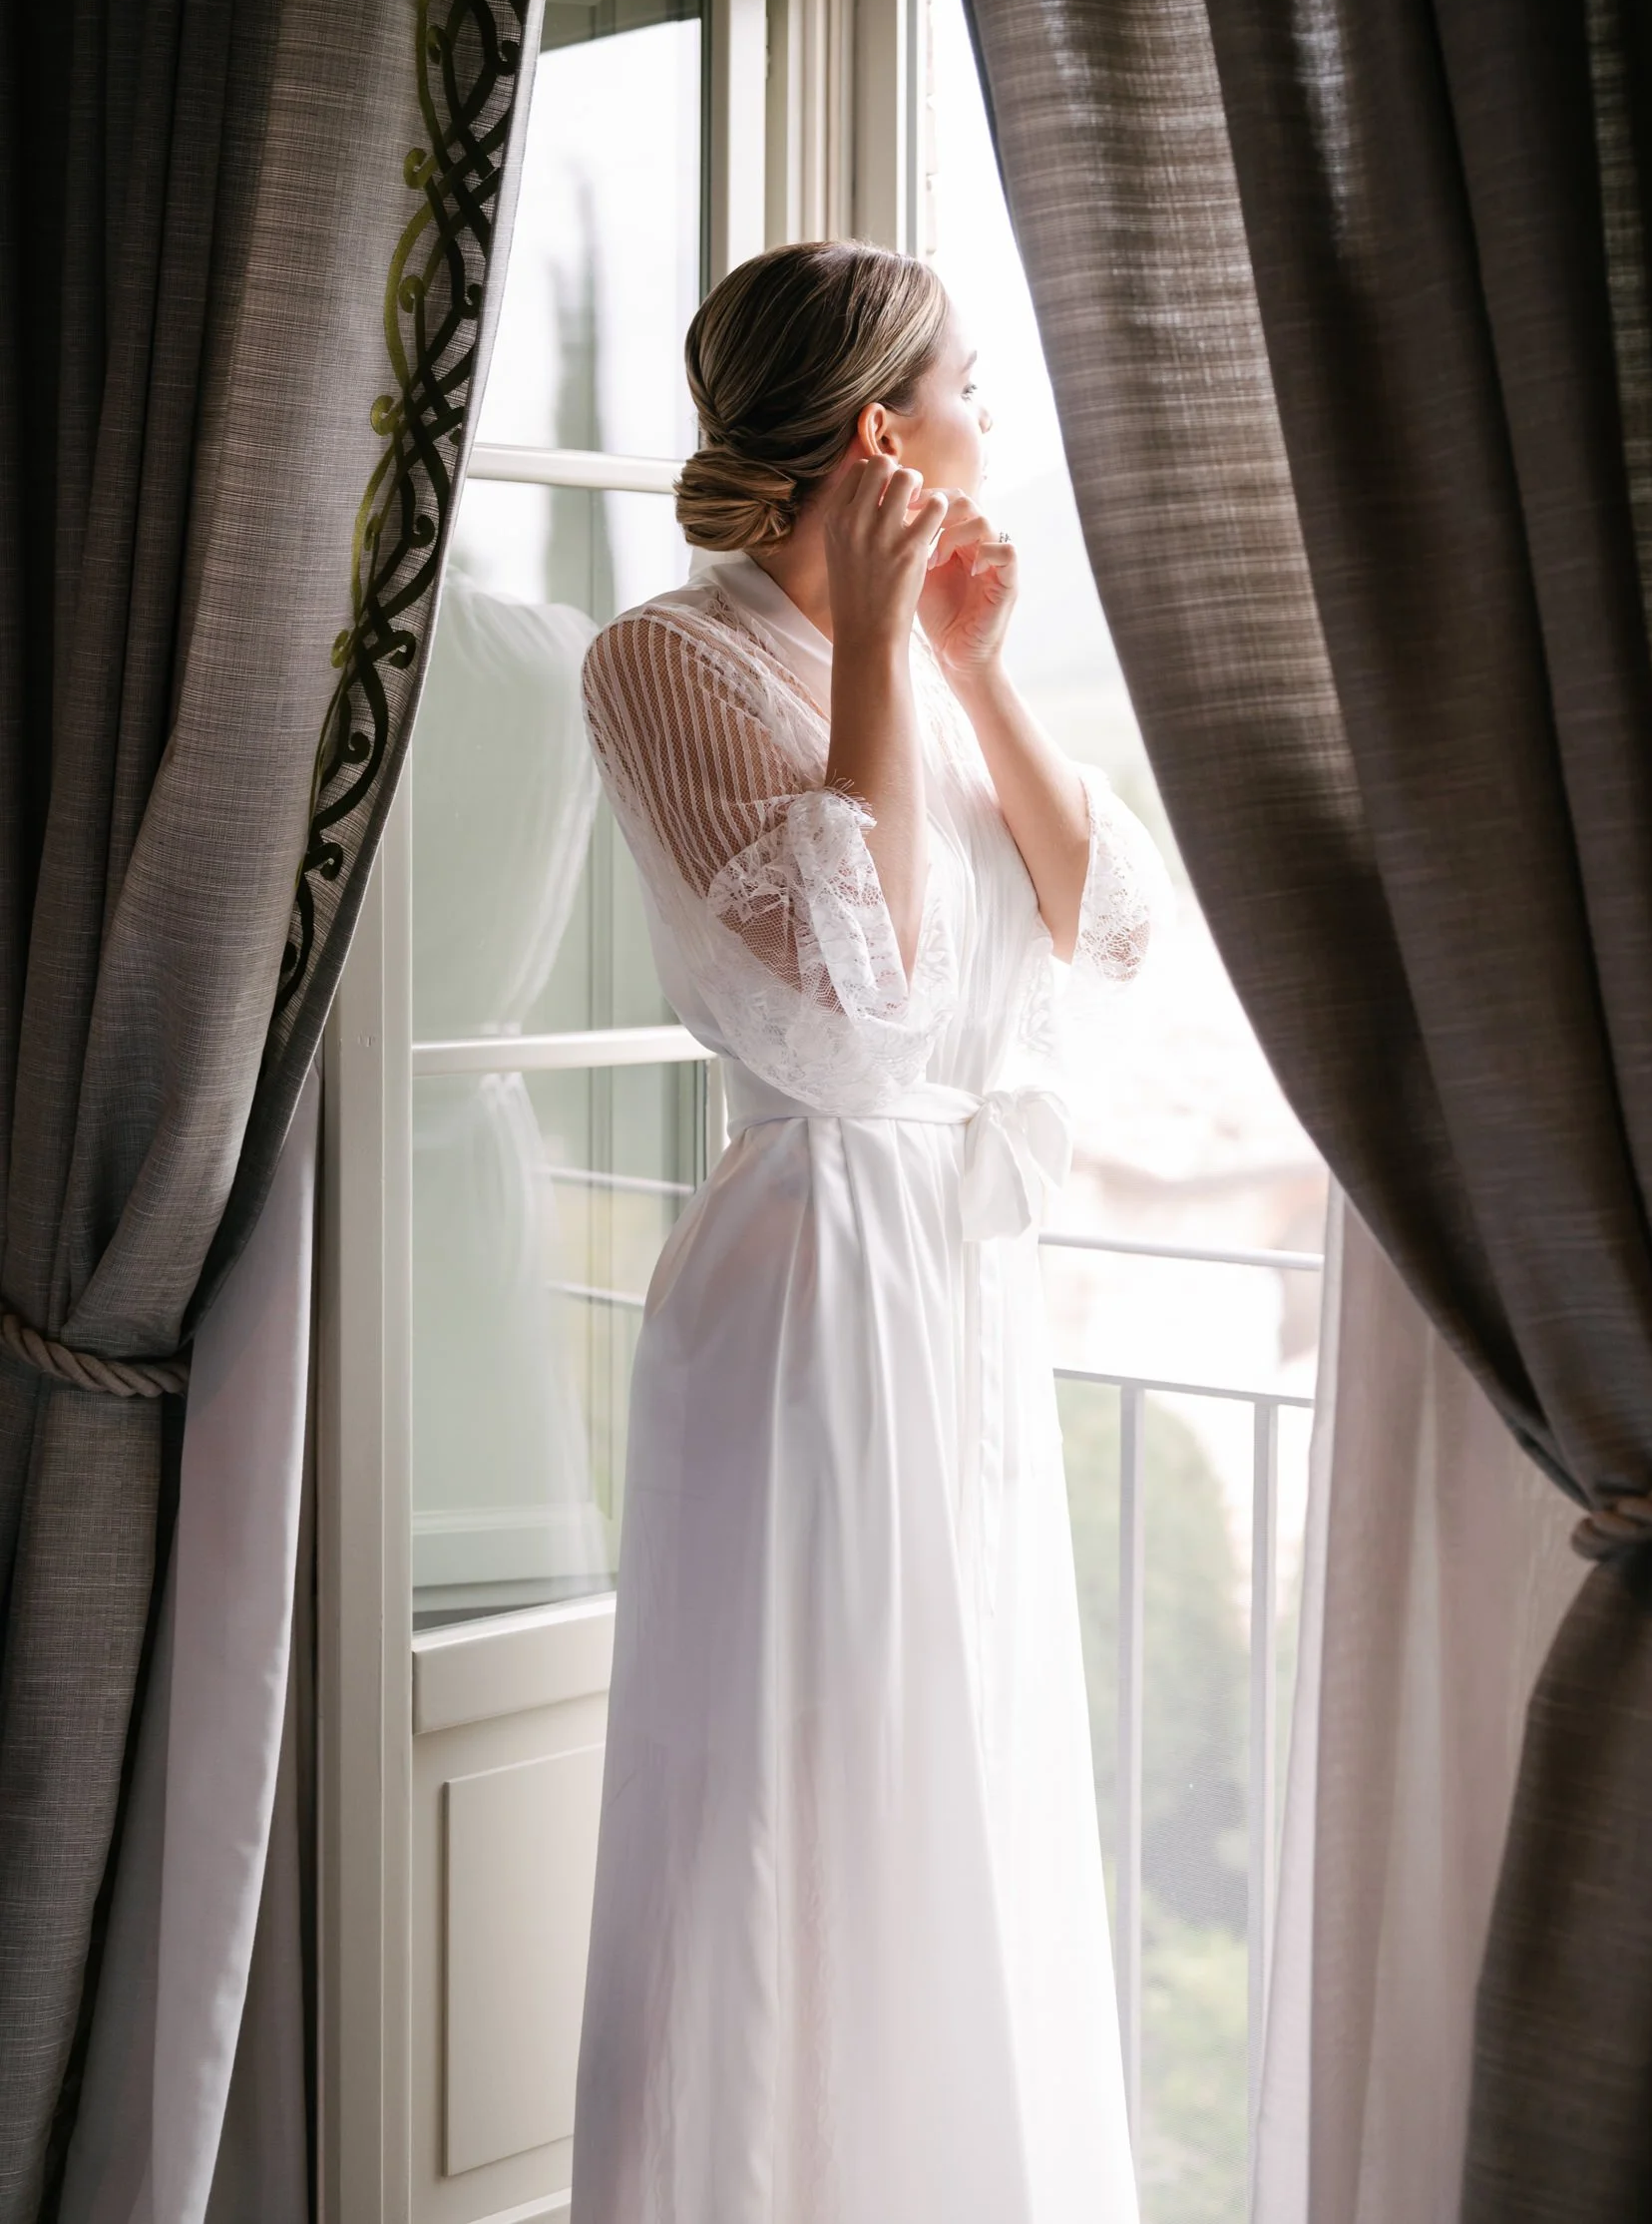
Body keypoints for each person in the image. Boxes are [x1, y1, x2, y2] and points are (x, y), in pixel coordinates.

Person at [571, 239, 1160, 2223]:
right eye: (971, 381)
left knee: (966, 1788)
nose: (998, 423)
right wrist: (884, 655)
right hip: (814, 1284)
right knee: (798, 1814)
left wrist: (975, 669)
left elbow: (1106, 916)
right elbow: (864, 986)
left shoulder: (933, 653)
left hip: (964, 1286)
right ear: (879, 431)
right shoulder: (671, 654)